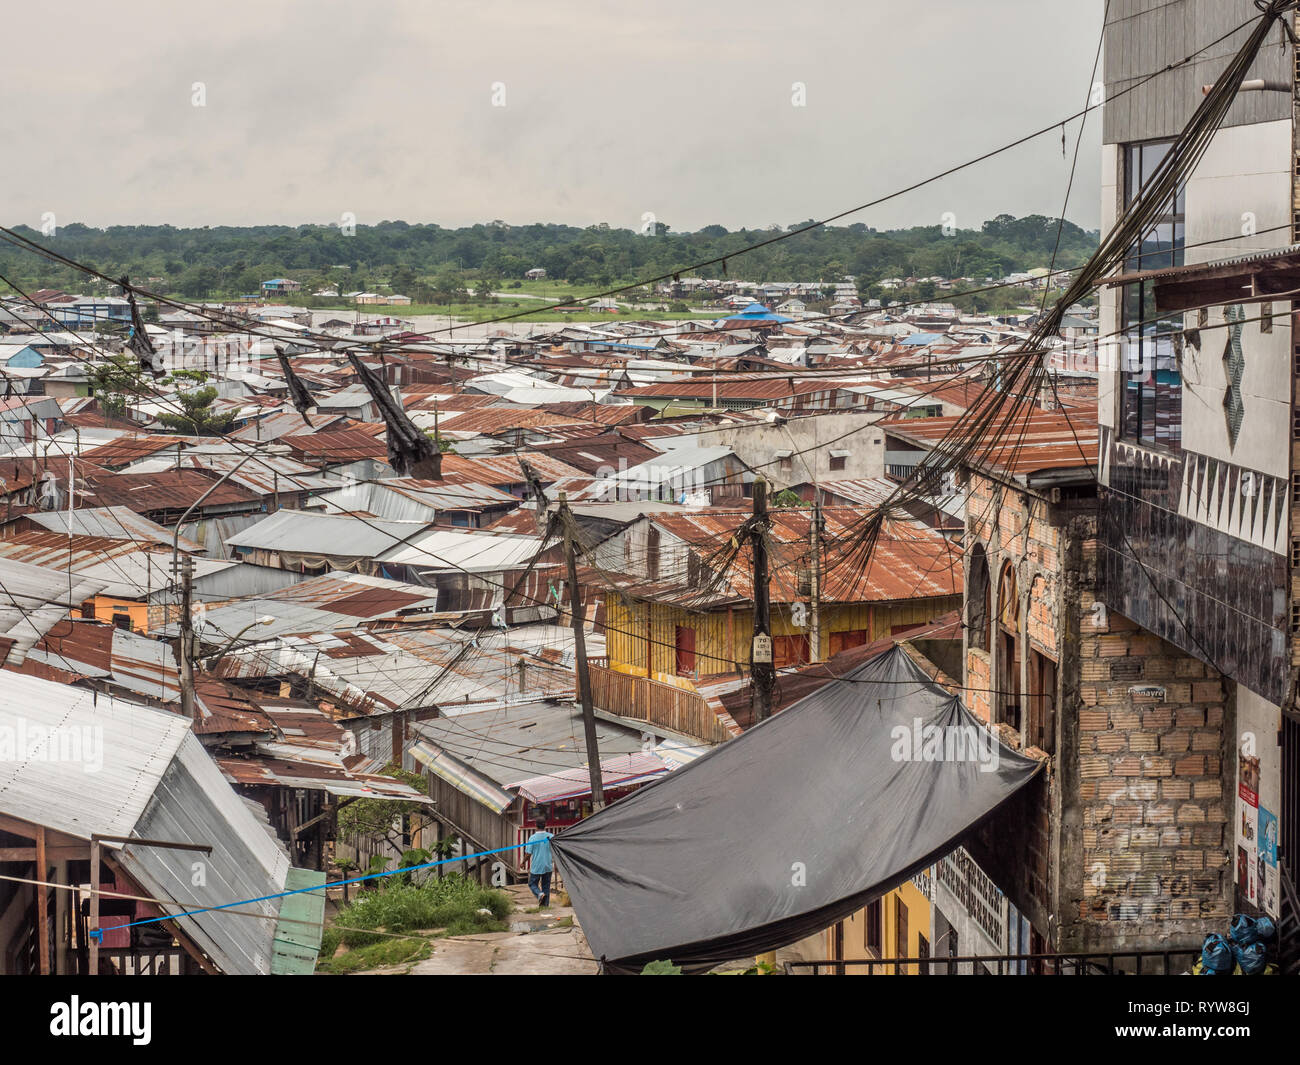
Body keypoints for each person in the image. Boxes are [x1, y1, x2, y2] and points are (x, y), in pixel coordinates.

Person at [524, 816, 555, 907]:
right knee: (546, 886)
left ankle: (539, 894)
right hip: (548, 865)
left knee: (532, 884)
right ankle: (545, 906)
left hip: (536, 866)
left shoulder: (532, 838)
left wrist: (523, 862)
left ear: (535, 825)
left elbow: (528, 853)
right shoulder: (551, 836)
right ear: (545, 825)